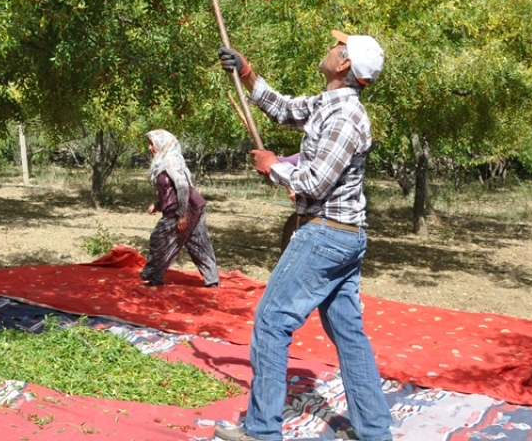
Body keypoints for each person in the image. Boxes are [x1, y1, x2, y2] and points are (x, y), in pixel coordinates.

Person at [214, 31, 393, 441]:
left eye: (336, 47)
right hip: (342, 236)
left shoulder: (346, 117)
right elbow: (284, 109)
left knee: (272, 322)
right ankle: (375, 432)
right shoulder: (327, 104)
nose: (329, 48)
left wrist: (272, 166)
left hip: (326, 235)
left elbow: (314, 182)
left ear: (345, 62)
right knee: (348, 332)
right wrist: (246, 73)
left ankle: (262, 431)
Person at [140, 129, 218, 288]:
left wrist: (181, 214)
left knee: (159, 238)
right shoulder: (165, 160)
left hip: (183, 208)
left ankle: (155, 278)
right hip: (195, 205)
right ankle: (212, 280)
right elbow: (171, 188)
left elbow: (182, 186)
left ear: (162, 144)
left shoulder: (170, 161)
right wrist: (158, 204)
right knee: (197, 242)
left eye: (151, 143)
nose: (149, 148)